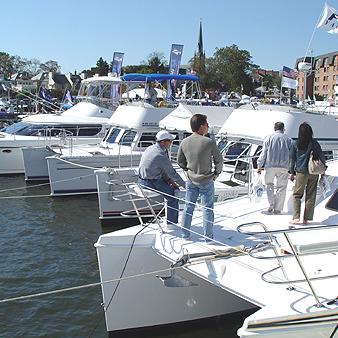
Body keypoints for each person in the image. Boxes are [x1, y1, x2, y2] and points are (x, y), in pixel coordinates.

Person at [177, 114, 223, 241]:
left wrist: (188, 170)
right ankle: (208, 237)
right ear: (202, 126)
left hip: (191, 180)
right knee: (207, 209)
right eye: (207, 125)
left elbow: (180, 161)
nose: (208, 127)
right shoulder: (209, 142)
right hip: (206, 180)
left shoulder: (184, 142)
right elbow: (219, 161)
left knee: (188, 207)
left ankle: (185, 235)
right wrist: (216, 174)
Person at [138, 130, 185, 227]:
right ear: (163, 142)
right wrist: (186, 186)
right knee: (173, 197)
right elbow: (172, 173)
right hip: (151, 182)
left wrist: (169, 181)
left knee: (173, 189)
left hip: (142, 180)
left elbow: (162, 170)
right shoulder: (160, 155)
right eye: (170, 141)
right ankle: (172, 224)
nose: (171, 143)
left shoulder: (151, 148)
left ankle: (170, 219)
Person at [289, 122, 326, 224]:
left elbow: (292, 159)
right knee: (311, 195)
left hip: (301, 172)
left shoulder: (295, 143)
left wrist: (291, 172)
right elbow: (322, 157)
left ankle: (296, 217)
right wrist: (323, 170)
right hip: (313, 172)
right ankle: (307, 218)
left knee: (297, 195)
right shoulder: (314, 143)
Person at [257, 121, 292, 214]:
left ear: (274, 128)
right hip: (284, 166)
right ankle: (278, 208)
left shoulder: (268, 138)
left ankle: (271, 204)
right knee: (281, 187)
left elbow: (263, 153)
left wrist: (259, 165)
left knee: (269, 185)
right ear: (283, 129)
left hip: (270, 165)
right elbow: (291, 155)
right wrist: (292, 168)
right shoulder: (288, 139)